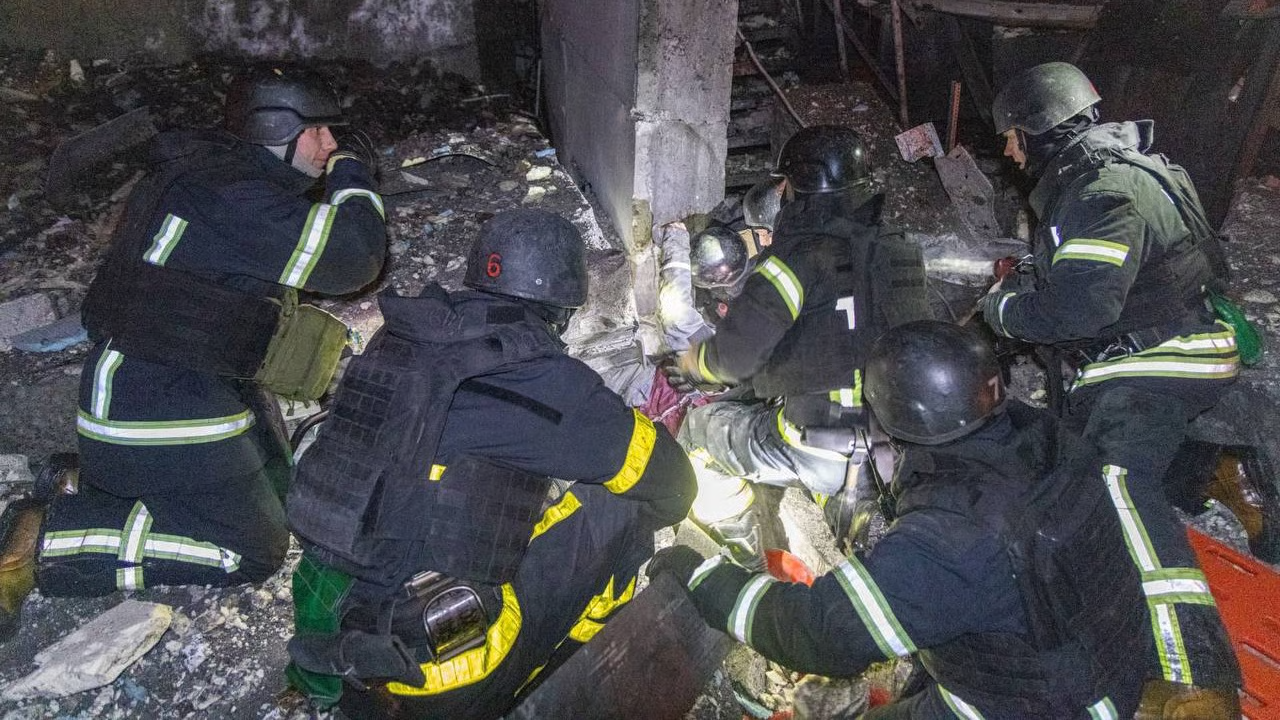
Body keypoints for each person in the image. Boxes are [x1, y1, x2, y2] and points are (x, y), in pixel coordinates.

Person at [0, 66, 387, 638]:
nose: (329, 145)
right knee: (251, 550)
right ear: (276, 129)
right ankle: (43, 540)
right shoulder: (231, 194)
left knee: (282, 488)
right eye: (320, 131)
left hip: (180, 382)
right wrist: (354, 172)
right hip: (154, 406)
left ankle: (79, 480)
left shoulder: (214, 175)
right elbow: (353, 258)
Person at [283, 209, 696, 719]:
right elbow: (675, 486)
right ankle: (570, 652)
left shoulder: (402, 337)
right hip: (434, 680)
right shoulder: (543, 379)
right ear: (563, 304)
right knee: (623, 504)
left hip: (333, 632)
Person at [654, 320, 1159, 718]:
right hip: (1103, 663)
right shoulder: (1049, 445)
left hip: (1035, 705)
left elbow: (823, 632)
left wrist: (705, 577)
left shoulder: (949, 542)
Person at [981, 61, 1245, 712]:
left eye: (1013, 137)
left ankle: (1189, 676)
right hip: (1184, 340)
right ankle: (1217, 473)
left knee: (1108, 475)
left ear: (1039, 127)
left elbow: (1083, 308)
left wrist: (1005, 311)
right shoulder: (1127, 165)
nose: (1010, 153)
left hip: (1160, 356)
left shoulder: (1094, 189)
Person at [662, 125, 930, 568]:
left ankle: (744, 558)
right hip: (900, 440)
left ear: (796, 185)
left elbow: (734, 359)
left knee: (700, 431)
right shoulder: (899, 250)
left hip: (822, 442)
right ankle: (849, 507)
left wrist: (693, 363)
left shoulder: (794, 262)